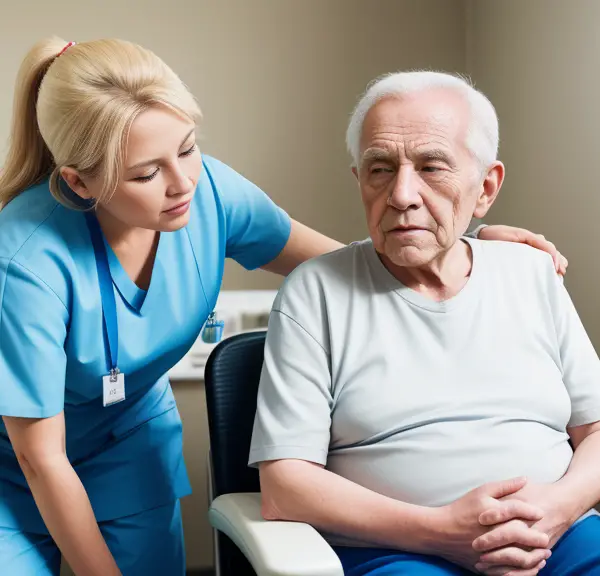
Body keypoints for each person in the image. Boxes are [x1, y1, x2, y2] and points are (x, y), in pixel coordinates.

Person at [0, 38, 563, 576]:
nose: (183, 183)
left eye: (189, 148)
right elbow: (40, 459)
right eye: (147, 174)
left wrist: (466, 245)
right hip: (15, 464)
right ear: (78, 183)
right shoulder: (24, 261)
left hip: (127, 442)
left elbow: (352, 265)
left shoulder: (208, 191)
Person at [249, 71, 600, 576]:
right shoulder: (314, 293)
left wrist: (558, 509)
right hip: (398, 552)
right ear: (359, 181)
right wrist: (441, 531)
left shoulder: (530, 272)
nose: (402, 194)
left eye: (432, 167)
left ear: (485, 188)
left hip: (557, 538)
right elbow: (285, 486)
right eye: (380, 169)